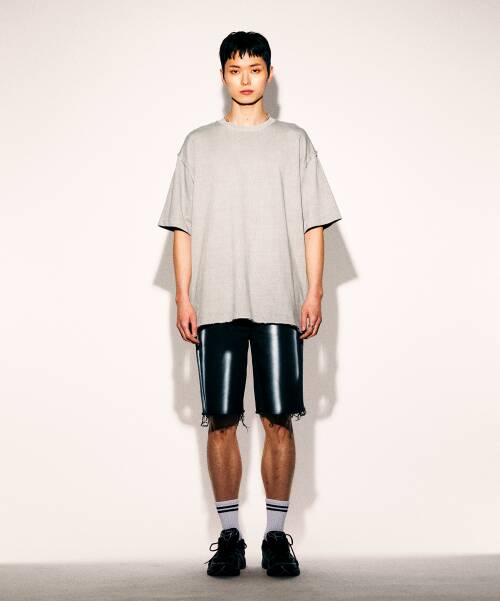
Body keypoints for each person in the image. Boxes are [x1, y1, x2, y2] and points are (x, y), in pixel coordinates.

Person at [157, 31, 342, 578]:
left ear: (269, 74)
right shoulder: (197, 144)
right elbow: (183, 227)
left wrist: (313, 290)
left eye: (254, 69)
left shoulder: (294, 141)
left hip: (279, 300)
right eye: (235, 69)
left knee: (278, 417)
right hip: (215, 301)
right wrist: (183, 296)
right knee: (221, 418)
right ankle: (230, 535)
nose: (245, 78)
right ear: (222, 75)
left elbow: (314, 223)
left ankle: (277, 537)